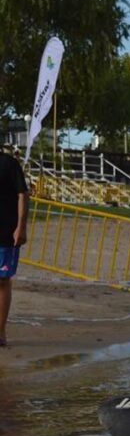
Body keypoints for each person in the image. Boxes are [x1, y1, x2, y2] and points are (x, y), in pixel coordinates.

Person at [0, 143, 30, 347]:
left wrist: (21, 226)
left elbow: (23, 194)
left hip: (6, 233)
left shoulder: (9, 164)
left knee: (2, 281)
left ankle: (0, 332)